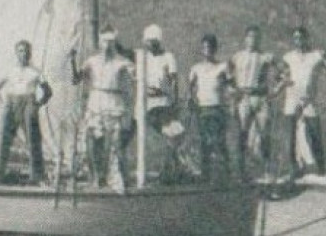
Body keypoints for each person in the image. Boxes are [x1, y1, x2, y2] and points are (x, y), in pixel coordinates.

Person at [276, 25, 326, 179]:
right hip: (292, 98)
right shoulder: (288, 57)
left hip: (308, 99)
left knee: (315, 133)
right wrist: (279, 83)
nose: (298, 41)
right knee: (290, 135)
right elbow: (280, 75)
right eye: (296, 38)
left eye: (301, 38)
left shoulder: (317, 55)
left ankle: (321, 170)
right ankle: (294, 168)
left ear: (307, 38)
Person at [70, 29, 135, 190]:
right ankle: (95, 177)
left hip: (113, 103)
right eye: (105, 42)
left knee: (114, 143)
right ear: (100, 43)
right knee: (92, 141)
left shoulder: (122, 62)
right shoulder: (91, 61)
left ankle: (120, 179)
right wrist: (72, 60)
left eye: (111, 42)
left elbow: (135, 75)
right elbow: (76, 79)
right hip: (95, 103)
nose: (107, 45)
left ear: (114, 43)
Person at [0, 40, 53, 185]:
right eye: (20, 51)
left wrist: (37, 104)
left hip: (28, 104)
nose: (23, 54)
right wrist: (1, 103)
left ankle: (36, 176)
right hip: (11, 103)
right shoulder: (10, 70)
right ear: (16, 53)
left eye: (25, 51)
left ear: (30, 54)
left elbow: (48, 92)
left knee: (33, 140)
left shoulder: (36, 72)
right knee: (4, 139)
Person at [229, 25, 275, 180]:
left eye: (256, 37)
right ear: (245, 38)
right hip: (244, 97)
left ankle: (268, 171)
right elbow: (229, 77)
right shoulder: (237, 57)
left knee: (264, 134)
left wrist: (274, 90)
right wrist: (233, 97)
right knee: (242, 133)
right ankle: (241, 171)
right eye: (250, 37)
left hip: (260, 97)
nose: (253, 40)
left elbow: (283, 73)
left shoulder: (265, 56)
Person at [187, 33, 233, 182]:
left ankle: (225, 173)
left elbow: (231, 85)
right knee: (204, 142)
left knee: (219, 141)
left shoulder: (222, 66)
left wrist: (231, 100)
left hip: (217, 108)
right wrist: (190, 100)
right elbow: (190, 88)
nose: (207, 50)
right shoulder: (196, 68)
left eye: (210, 47)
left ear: (215, 49)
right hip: (202, 109)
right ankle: (205, 175)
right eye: (205, 47)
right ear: (202, 49)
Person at [138, 25, 183, 179]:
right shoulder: (143, 58)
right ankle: (169, 169)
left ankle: (171, 169)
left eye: (154, 41)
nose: (151, 45)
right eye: (148, 42)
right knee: (168, 135)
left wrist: (174, 102)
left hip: (165, 103)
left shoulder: (168, 57)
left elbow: (173, 81)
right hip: (150, 105)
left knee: (175, 134)